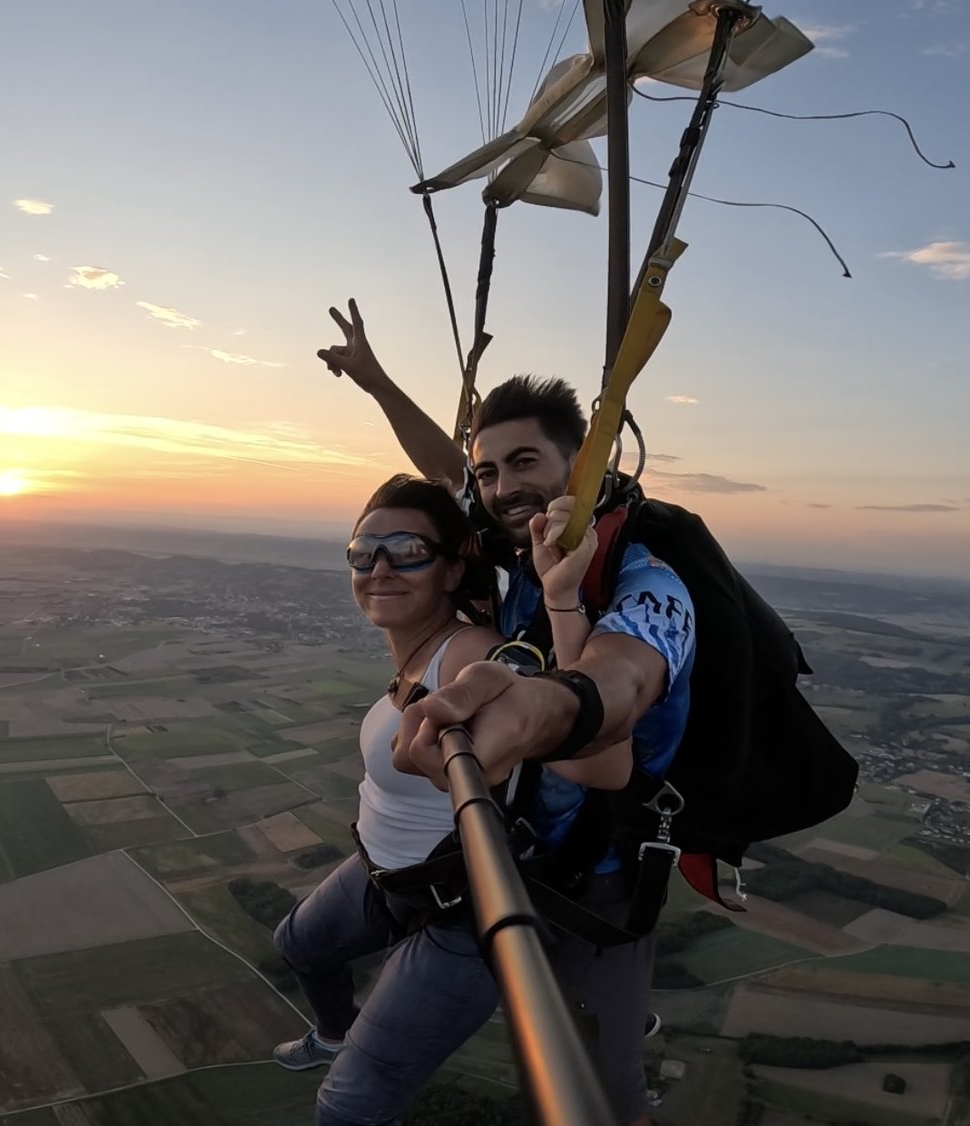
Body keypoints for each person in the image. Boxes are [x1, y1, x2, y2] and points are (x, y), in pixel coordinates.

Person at [318, 300, 698, 1126]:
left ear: (584, 463)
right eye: (490, 472)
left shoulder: (647, 584)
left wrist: (549, 678)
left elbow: (616, 693)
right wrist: (378, 383)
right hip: (518, 845)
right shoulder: (518, 544)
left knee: (602, 1093)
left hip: (599, 873)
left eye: (525, 464)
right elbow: (446, 474)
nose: (500, 488)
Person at [272, 473, 622, 1124]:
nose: (379, 567)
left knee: (347, 1110)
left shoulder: (470, 654)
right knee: (298, 944)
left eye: (406, 550)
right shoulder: (416, 652)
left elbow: (590, 758)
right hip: (385, 873)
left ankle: (344, 1053)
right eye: (362, 551)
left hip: (462, 910)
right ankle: (335, 1035)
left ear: (453, 564)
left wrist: (558, 619)